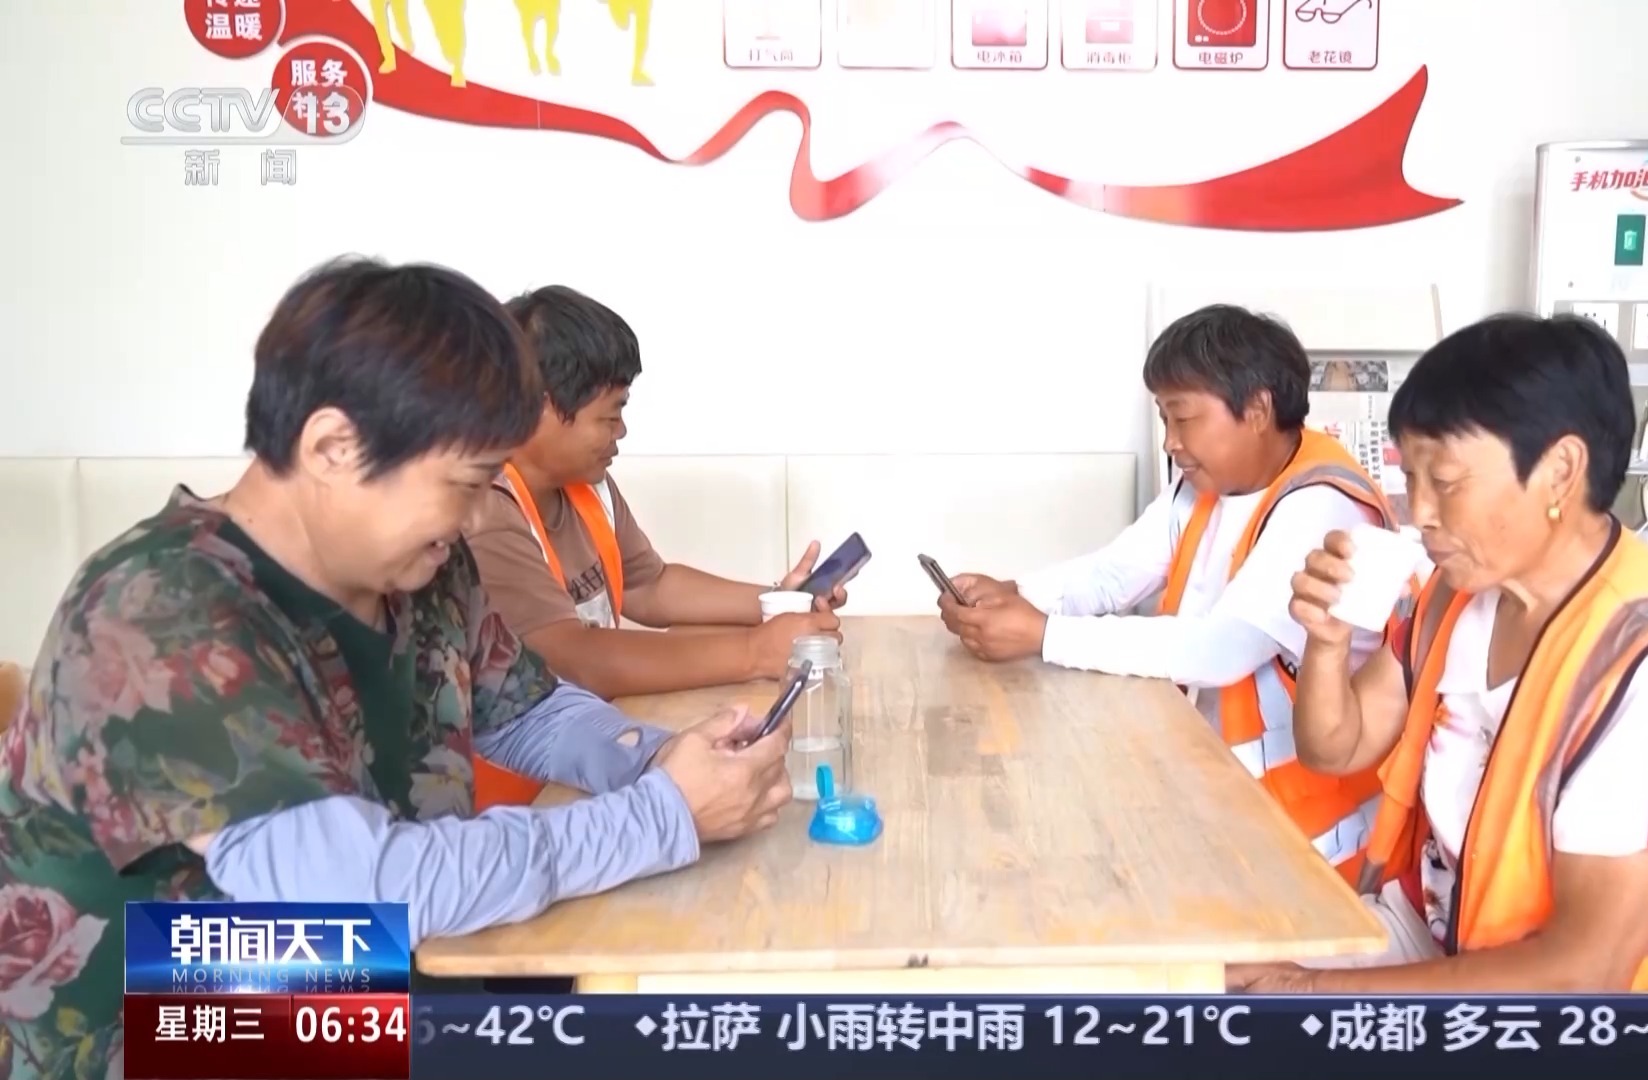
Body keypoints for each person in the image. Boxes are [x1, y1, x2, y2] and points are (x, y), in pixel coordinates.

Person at [0, 257, 793, 1080]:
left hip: (372, 966)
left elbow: (528, 708)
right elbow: (358, 891)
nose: (479, 516)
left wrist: (659, 759)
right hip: (168, 1016)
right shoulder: (162, 613)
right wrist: (662, 815)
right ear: (333, 447)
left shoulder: (423, 565)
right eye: (466, 484)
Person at [1231, 313, 1648, 994]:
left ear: (1560, 472)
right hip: (1448, 930)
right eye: (1410, 477)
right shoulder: (1459, 595)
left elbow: (1582, 975)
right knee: (1203, 974)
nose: (1419, 511)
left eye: (1446, 481)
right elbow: (1338, 747)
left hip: (1608, 1013)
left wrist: (1311, 989)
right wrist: (1326, 643)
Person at [937, 304, 1399, 874]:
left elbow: (1220, 650)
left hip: (1311, 844)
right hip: (1217, 800)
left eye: (1182, 418)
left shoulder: (1323, 504)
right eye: (1164, 419)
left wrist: (1042, 634)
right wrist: (1012, 596)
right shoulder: (1207, 486)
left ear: (1257, 410)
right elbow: (1112, 575)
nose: (1170, 442)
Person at [466, 286, 844, 721]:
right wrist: (755, 652)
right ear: (538, 408)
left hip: (584, 734)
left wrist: (779, 601)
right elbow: (574, 659)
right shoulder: (486, 513)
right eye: (610, 416)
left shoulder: (587, 488)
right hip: (517, 762)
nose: (621, 431)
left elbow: (650, 586)